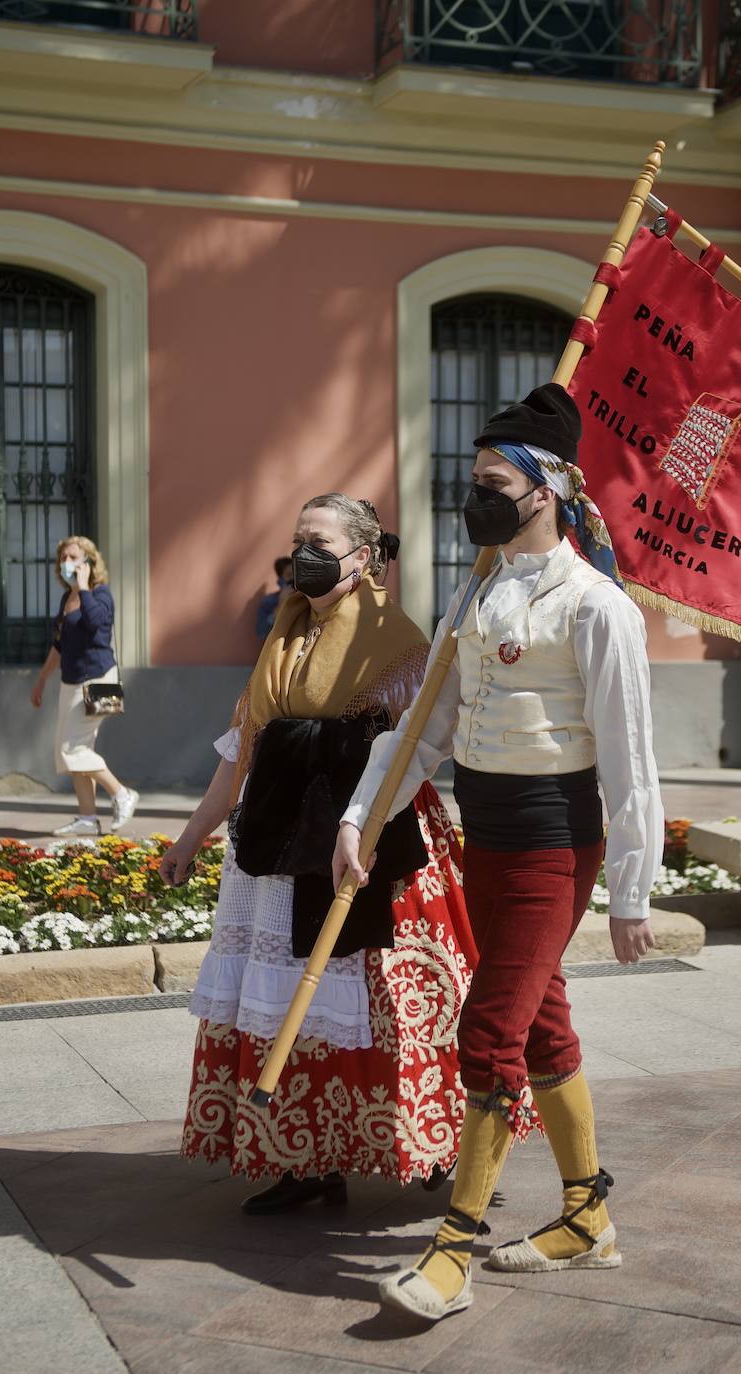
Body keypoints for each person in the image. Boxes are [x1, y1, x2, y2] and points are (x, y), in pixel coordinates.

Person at [334, 384, 664, 1321]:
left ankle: (453, 1251)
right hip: (486, 836)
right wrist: (363, 815)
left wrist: (632, 892)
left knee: (491, 1033)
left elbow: (632, 758)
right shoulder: (474, 592)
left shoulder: (598, 607)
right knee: (544, 1022)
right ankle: (586, 1218)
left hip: (556, 844)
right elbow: (421, 731)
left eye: (490, 482)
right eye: (469, 478)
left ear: (546, 489)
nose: (472, 495)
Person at [161, 494, 478, 1206]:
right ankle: (305, 1162)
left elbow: (420, 750)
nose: (303, 551)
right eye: (298, 538)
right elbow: (241, 754)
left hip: (375, 841)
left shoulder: (395, 642)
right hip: (278, 842)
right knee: (280, 1010)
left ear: (361, 557)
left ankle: (430, 1141)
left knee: (395, 1003)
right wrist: (191, 837)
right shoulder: (284, 632)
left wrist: (361, 822)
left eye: (318, 539)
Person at [30, 535, 138, 838]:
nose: (67, 564)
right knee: (74, 752)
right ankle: (88, 817)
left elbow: (97, 625)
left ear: (89, 562)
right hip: (71, 682)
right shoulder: (68, 599)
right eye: (63, 558)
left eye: (74, 557)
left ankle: (121, 794)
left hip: (97, 680)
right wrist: (41, 679)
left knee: (72, 748)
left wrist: (85, 587)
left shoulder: (100, 594)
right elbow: (59, 645)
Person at [255, 555, 293, 639]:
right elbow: (262, 632)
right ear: (281, 581)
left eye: (296, 573)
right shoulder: (269, 602)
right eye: (289, 575)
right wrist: (281, 605)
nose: (294, 578)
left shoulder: (308, 596)